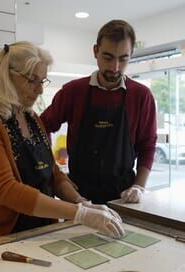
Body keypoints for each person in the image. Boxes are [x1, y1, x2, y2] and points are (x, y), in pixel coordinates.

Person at [0, 41, 124, 245]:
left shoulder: (32, 119)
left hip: (38, 232)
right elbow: (5, 189)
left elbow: (53, 174)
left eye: (42, 81)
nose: (39, 90)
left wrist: (81, 202)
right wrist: (79, 214)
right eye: (32, 80)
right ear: (6, 76)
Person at [40, 20, 157, 204]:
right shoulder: (73, 91)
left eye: (123, 58)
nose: (115, 67)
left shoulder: (141, 96)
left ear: (131, 54)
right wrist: (56, 174)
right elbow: (41, 127)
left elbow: (147, 145)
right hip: (79, 196)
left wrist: (139, 187)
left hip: (123, 197)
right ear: (95, 51)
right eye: (108, 57)